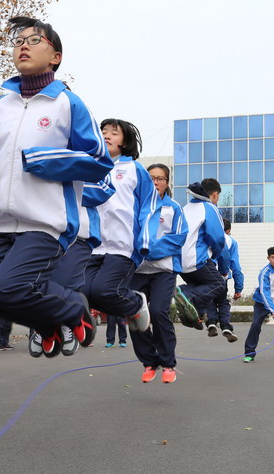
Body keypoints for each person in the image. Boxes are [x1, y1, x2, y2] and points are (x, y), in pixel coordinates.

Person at [0, 16, 113, 358]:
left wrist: (50, 160)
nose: (23, 45)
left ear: (55, 56)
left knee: (8, 287)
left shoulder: (69, 105)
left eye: (34, 40)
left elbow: (99, 161)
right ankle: (46, 323)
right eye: (18, 41)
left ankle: (73, 307)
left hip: (45, 222)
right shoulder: (0, 107)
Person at [81, 119, 155, 338]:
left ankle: (134, 303)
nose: (107, 135)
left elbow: (149, 207)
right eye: (103, 131)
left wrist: (144, 241)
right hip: (94, 244)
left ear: (126, 141)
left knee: (104, 291)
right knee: (85, 292)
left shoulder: (134, 169)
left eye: (114, 132)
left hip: (123, 244)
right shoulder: (91, 168)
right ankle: (129, 309)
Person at [28, 173, 115, 356]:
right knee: (36, 282)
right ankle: (44, 327)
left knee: (65, 282)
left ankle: (70, 321)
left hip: (79, 233)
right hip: (44, 231)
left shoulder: (90, 154)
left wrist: (58, 190)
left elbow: (103, 190)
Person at [128, 163, 187, 384]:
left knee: (158, 311)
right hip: (138, 270)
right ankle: (149, 362)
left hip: (164, 270)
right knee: (133, 313)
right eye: (151, 178)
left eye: (160, 178)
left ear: (167, 183)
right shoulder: (135, 207)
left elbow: (178, 238)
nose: (155, 182)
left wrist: (149, 250)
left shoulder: (174, 208)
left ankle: (168, 364)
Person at [173, 179, 229, 330]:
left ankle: (194, 317)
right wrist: (220, 264)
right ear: (215, 194)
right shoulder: (209, 208)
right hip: (197, 261)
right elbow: (218, 239)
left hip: (180, 263)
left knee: (201, 286)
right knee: (218, 284)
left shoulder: (184, 208)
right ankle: (185, 293)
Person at [206, 218, 243, 343]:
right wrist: (238, 288)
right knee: (222, 302)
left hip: (208, 275)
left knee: (210, 300)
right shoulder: (231, 242)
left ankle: (211, 322)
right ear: (228, 230)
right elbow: (236, 267)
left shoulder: (206, 238)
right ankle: (226, 326)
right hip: (222, 277)